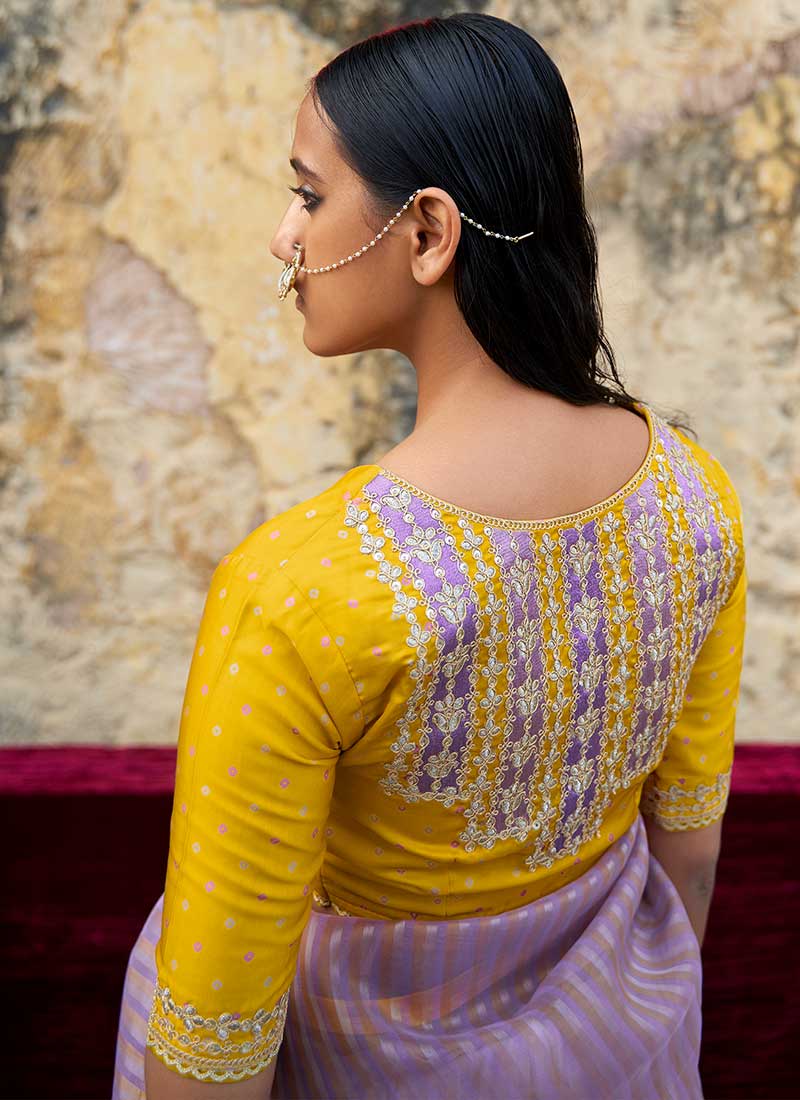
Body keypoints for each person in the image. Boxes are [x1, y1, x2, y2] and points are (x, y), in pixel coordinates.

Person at [112, 12, 747, 1099]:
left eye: (309, 194)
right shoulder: (692, 493)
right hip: (616, 1044)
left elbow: (215, 1036)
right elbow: (684, 854)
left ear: (425, 233)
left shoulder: (296, 587)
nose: (283, 234)